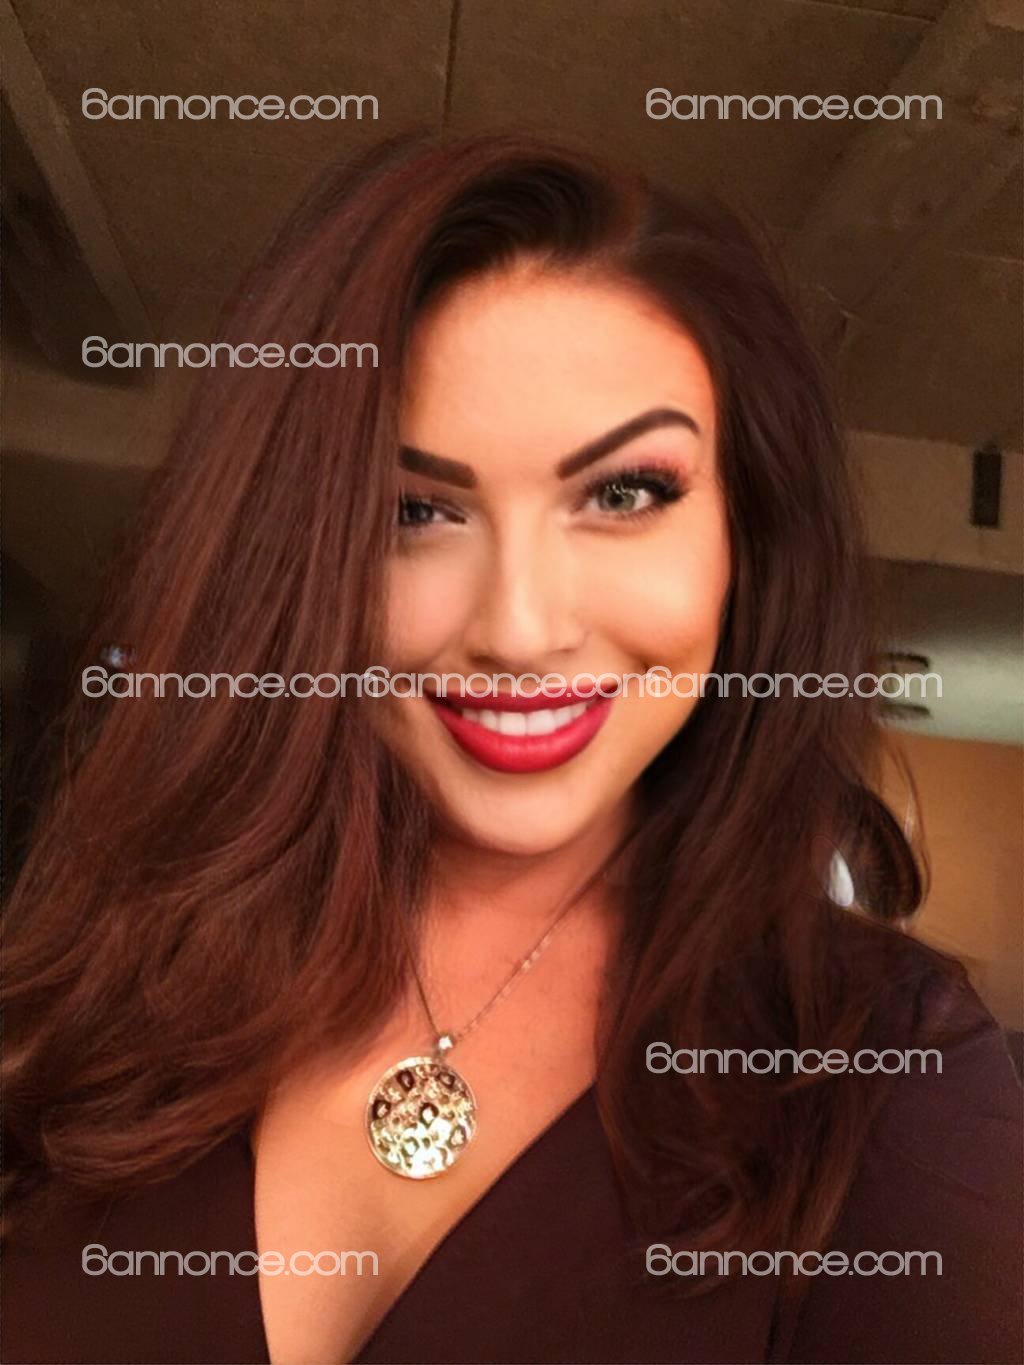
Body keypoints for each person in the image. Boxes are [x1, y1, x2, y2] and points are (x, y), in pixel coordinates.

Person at [3, 132, 1020, 1365]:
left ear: (748, 537)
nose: (521, 631)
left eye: (624, 494)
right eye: (412, 510)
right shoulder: (95, 970)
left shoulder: (886, 1072)